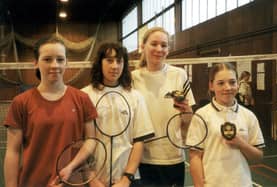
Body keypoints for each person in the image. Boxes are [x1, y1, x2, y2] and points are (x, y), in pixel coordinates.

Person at [3, 36, 97, 187]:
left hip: (71, 182)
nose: (55, 65)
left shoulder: (82, 99)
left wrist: (71, 167)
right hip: (33, 182)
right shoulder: (20, 102)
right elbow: (13, 152)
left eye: (60, 59)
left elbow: (91, 139)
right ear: (35, 63)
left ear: (67, 63)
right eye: (47, 59)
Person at [81, 42, 155, 187]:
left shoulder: (135, 97)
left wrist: (126, 179)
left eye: (119, 61)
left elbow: (139, 141)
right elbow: (80, 141)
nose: (115, 66)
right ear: (99, 63)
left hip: (127, 179)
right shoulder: (84, 95)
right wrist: (91, 178)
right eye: (109, 60)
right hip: (93, 180)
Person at [131, 27, 196, 187]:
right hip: (141, 159)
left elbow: (189, 120)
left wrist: (186, 112)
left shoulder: (179, 74)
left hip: (173, 157)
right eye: (154, 44)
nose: (159, 49)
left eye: (164, 45)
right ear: (143, 46)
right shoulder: (133, 78)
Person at [187, 62, 265, 187]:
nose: (227, 87)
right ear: (211, 86)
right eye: (221, 83)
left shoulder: (248, 116)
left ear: (238, 85)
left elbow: (258, 157)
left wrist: (241, 144)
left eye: (232, 82)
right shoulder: (201, 115)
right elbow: (195, 157)